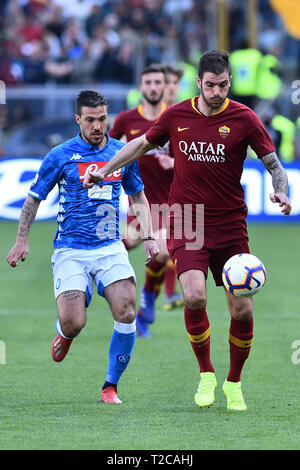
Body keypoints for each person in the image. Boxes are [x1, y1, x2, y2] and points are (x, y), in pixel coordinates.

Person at [83, 51, 292, 411]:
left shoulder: (244, 118)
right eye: (210, 85)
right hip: (188, 219)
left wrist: (282, 191)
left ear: (229, 82)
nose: (217, 91)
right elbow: (140, 144)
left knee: (241, 309)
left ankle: (234, 383)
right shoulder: (177, 114)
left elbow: (273, 163)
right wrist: (105, 169)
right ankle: (207, 374)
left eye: (223, 85)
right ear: (198, 82)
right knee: (194, 296)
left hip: (229, 224)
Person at [7, 90, 159, 404]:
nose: (97, 125)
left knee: (128, 309)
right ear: (78, 119)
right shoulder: (61, 155)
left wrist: (150, 237)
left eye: (102, 119)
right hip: (71, 250)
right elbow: (34, 198)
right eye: (90, 120)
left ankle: (110, 387)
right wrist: (22, 239)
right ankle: (65, 332)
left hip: (109, 246)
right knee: (74, 322)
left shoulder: (122, 153)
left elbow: (138, 197)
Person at [109, 64, 182, 338]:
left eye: (157, 83)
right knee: (118, 248)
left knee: (162, 252)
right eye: (148, 82)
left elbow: (192, 159)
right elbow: (108, 151)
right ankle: (135, 313)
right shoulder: (127, 120)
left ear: (165, 87)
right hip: (136, 205)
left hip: (168, 205)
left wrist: (173, 161)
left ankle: (148, 300)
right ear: (141, 87)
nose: (153, 87)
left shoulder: (176, 118)